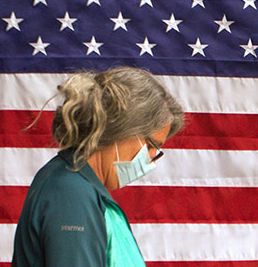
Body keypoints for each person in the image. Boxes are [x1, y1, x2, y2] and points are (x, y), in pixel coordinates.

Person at [12, 66, 184, 267]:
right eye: (150, 145)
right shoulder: (71, 194)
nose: (152, 158)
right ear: (122, 129)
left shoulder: (81, 188)